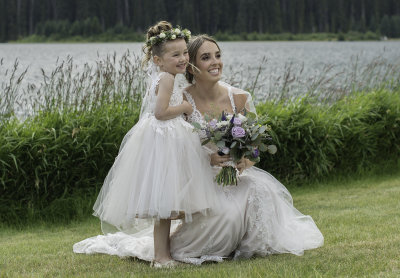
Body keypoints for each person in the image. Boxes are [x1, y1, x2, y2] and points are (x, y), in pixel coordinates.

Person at [73, 34, 324, 265]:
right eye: (206, 57)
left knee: (261, 189)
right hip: (202, 183)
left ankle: (248, 243)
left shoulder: (240, 98)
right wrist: (210, 160)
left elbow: (253, 151)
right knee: (225, 216)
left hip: (235, 176)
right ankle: (183, 246)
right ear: (191, 65)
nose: (215, 62)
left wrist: (242, 161)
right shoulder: (180, 100)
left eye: (217, 55)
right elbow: (174, 155)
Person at [82, 23, 221, 268]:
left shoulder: (166, 76)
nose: (183, 58)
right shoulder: (167, 79)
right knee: (165, 208)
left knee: (166, 208)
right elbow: (160, 112)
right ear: (158, 60)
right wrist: (186, 108)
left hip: (165, 139)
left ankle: (167, 250)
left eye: (184, 53)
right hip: (164, 141)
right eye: (175, 54)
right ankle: (161, 257)